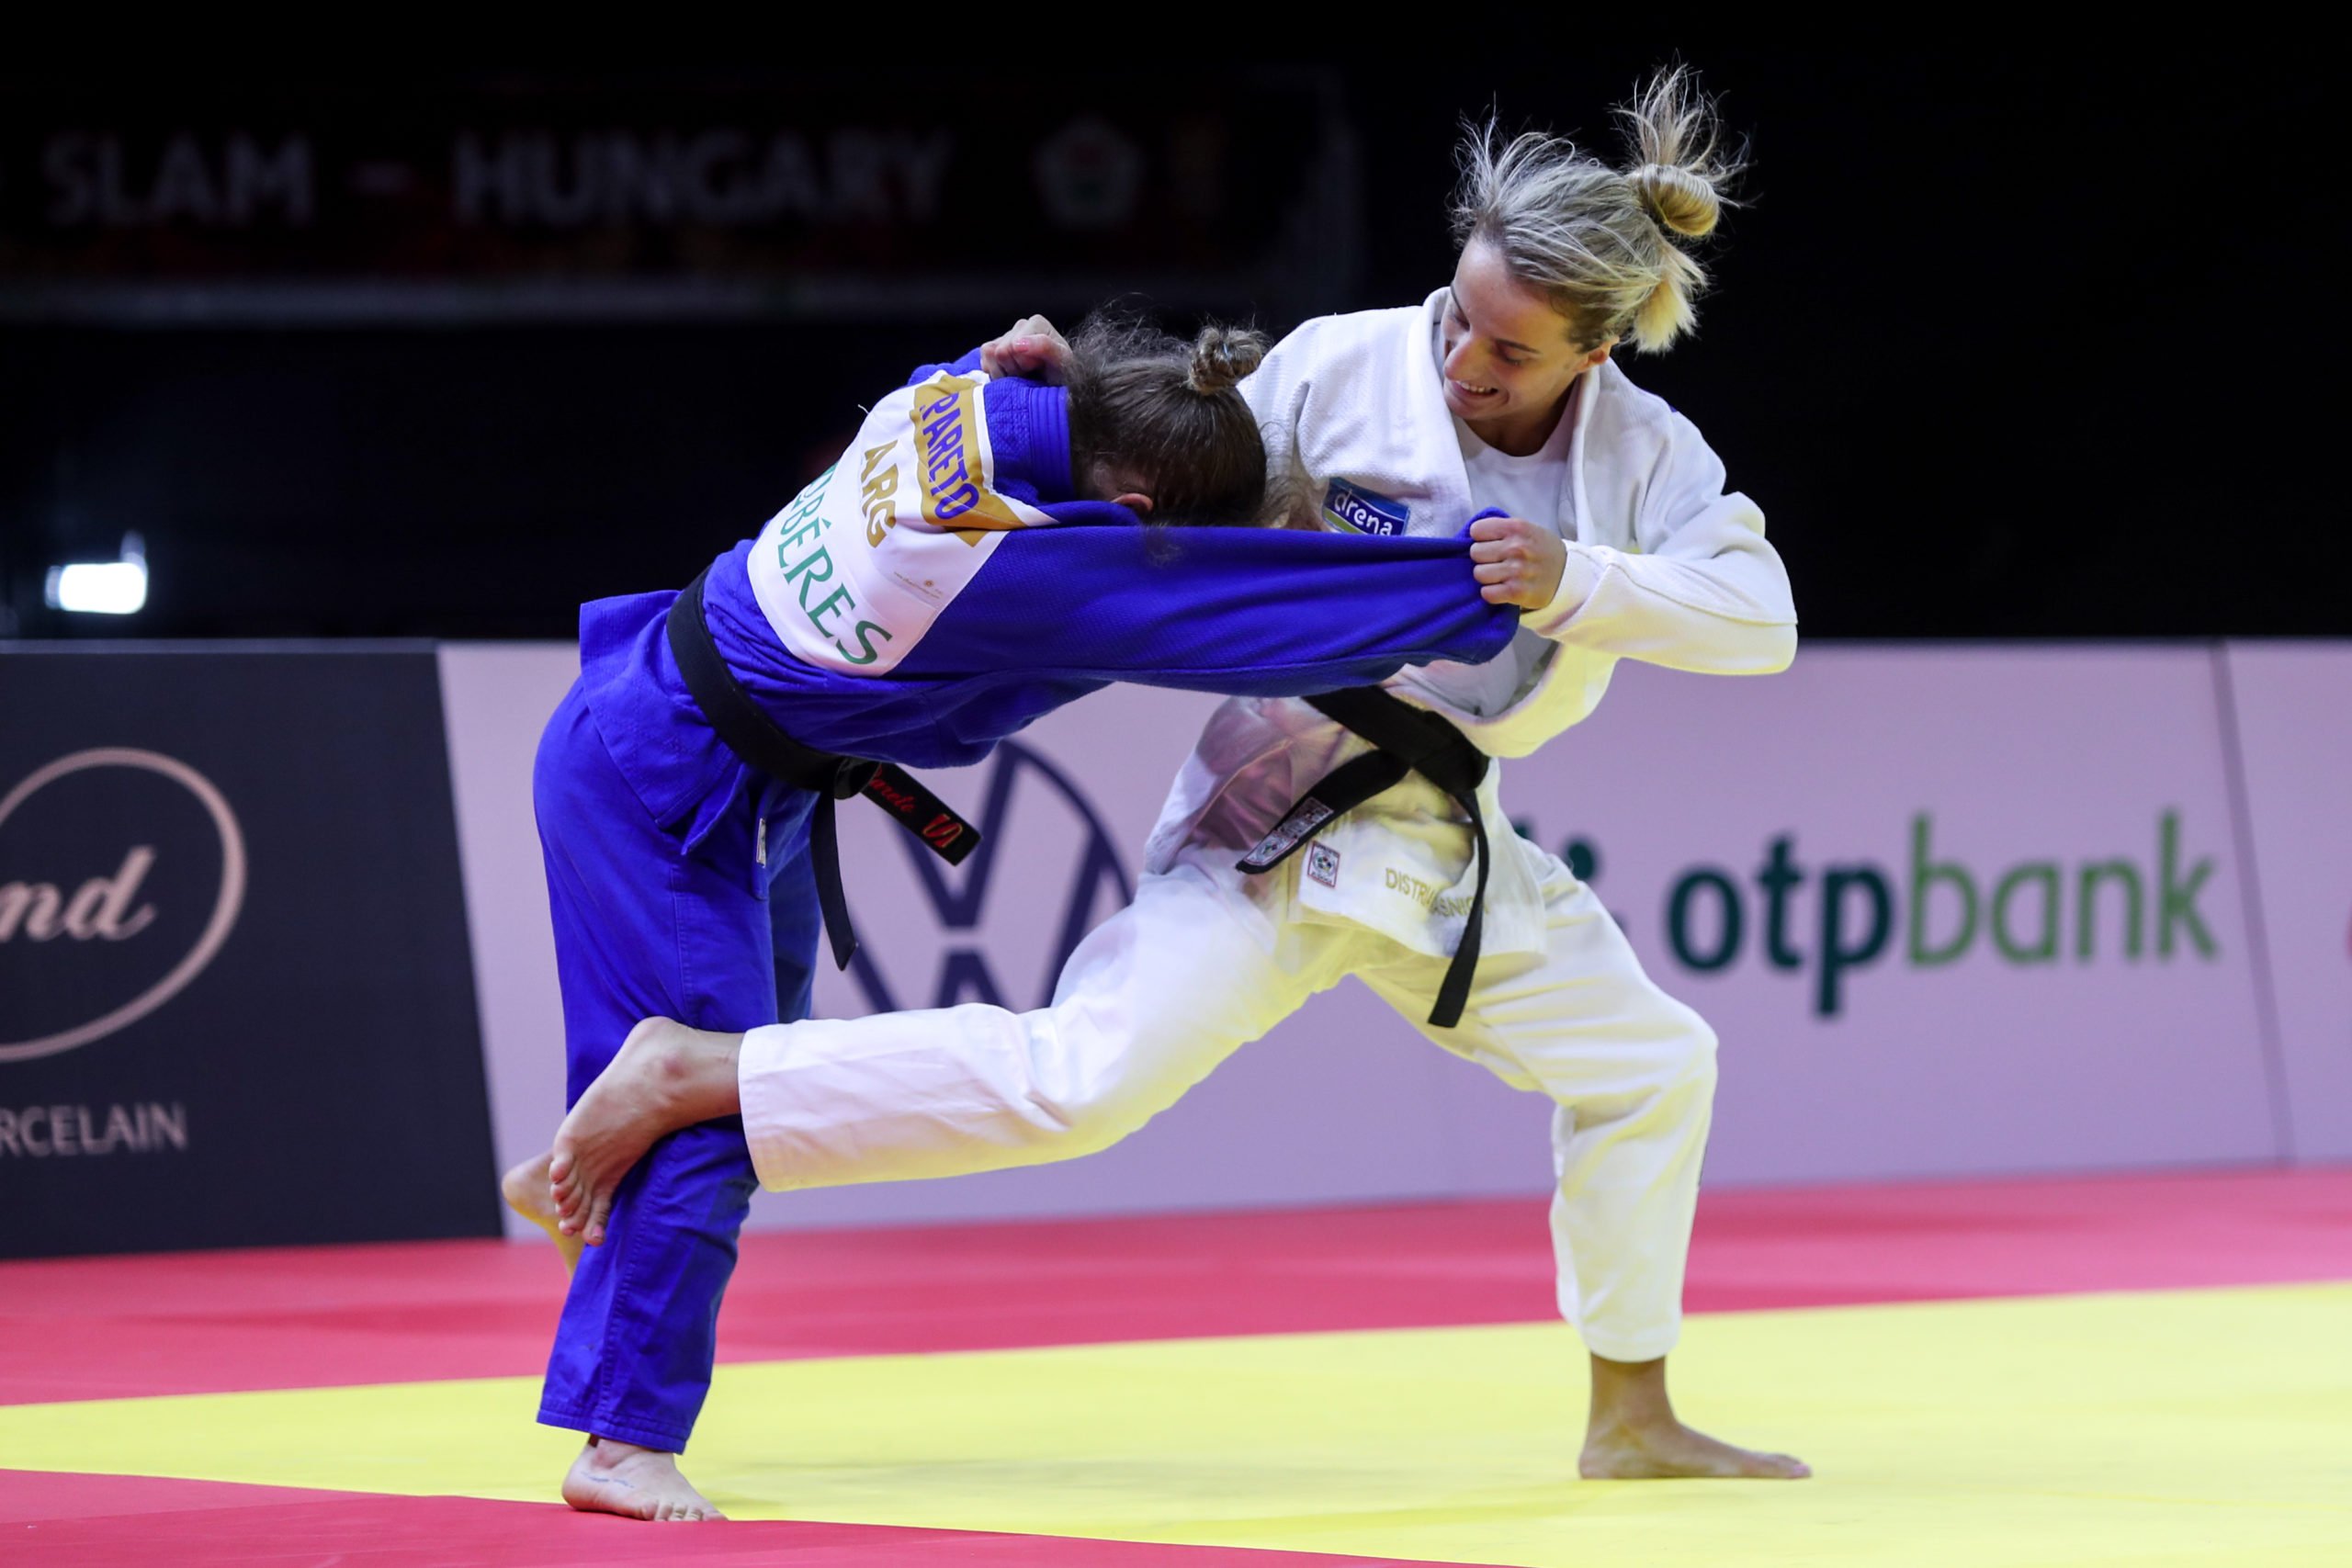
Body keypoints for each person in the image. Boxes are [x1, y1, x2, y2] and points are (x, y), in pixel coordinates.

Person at [518, 313, 1522, 1522]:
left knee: (757, 1056)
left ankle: (578, 1176)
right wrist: (1478, 587)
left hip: (695, 738)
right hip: (667, 788)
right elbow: (1248, 613)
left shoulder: (976, 397)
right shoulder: (1019, 568)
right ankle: (620, 1440)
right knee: (712, 1105)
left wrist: (1031, 364)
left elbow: (964, 376)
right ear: (1137, 510)